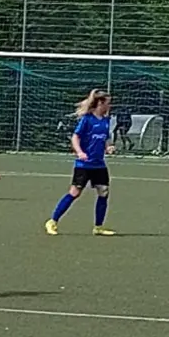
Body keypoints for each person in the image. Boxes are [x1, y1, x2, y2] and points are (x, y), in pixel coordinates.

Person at [46, 89, 117, 236]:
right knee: (75, 192)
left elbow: (105, 137)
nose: (110, 106)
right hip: (84, 165)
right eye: (108, 103)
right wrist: (80, 152)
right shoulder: (87, 119)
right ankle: (53, 221)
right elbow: (75, 137)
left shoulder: (106, 120)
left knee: (103, 192)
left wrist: (108, 146)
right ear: (100, 103)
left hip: (99, 164)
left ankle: (98, 227)